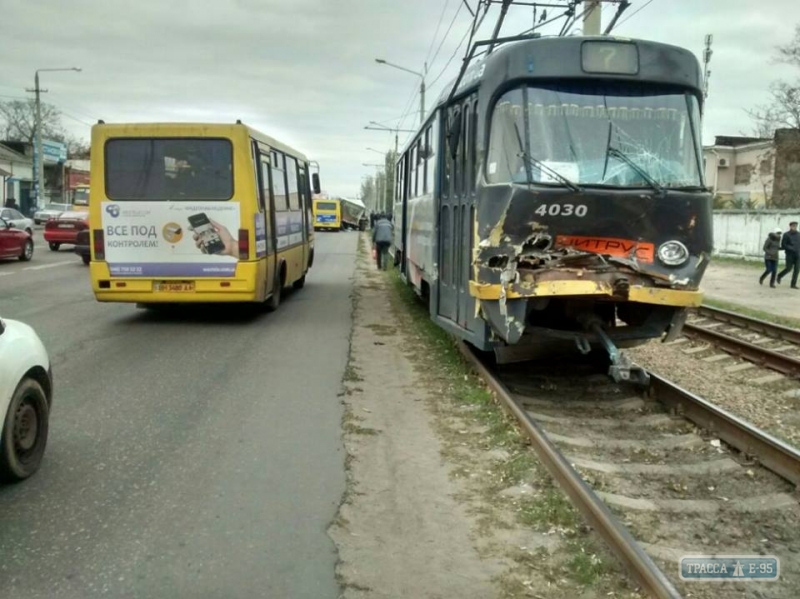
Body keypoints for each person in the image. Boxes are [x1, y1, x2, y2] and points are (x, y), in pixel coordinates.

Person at [777, 221, 800, 289]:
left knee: (797, 270)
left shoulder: (799, 234)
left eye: (795, 226)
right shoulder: (786, 235)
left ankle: (793, 284)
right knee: (788, 268)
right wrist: (791, 248)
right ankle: (779, 276)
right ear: (790, 226)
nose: (794, 227)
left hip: (798, 255)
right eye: (793, 226)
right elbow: (784, 245)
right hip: (790, 254)